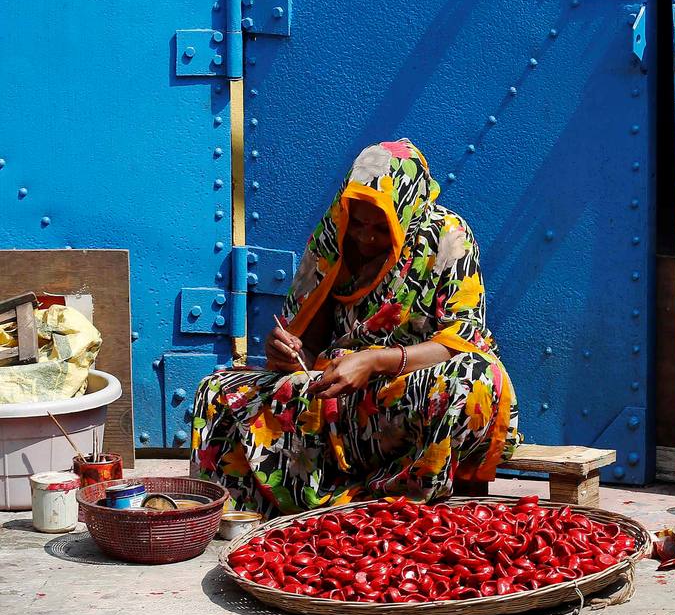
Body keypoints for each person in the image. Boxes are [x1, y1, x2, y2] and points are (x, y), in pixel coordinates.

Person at [190, 139, 519, 515]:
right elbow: (308, 345)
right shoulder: (333, 236)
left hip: (410, 392)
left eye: (380, 226)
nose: (364, 236)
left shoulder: (448, 238)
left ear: (408, 213)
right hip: (341, 398)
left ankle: (403, 505)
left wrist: (375, 362)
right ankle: (235, 514)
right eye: (357, 223)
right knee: (218, 389)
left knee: (473, 378)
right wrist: (286, 352)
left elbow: (463, 340)